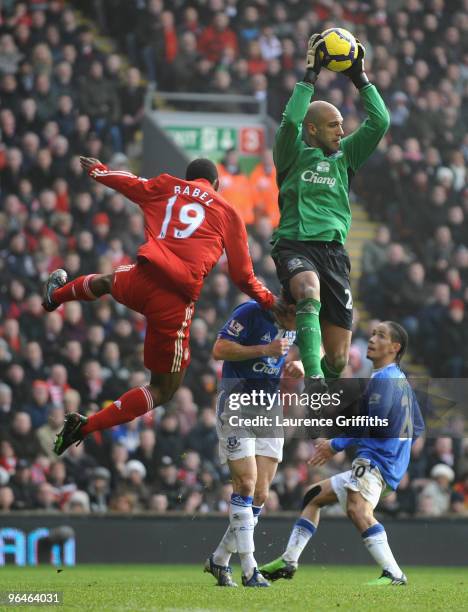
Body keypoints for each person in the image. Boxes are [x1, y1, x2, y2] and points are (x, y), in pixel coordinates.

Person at [43, 156, 279, 455]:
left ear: (188, 177)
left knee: (106, 281)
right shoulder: (226, 211)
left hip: (143, 278)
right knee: (163, 390)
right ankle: (84, 426)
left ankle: (55, 296)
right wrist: (269, 300)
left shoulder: (169, 186)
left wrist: (100, 172)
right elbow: (242, 276)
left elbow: (131, 183)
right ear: (216, 185)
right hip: (173, 301)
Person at [260, 321, 424, 586]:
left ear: (395, 347)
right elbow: (417, 426)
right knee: (314, 496)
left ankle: (393, 573)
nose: (372, 339)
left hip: (375, 461)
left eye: (380, 336)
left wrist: (335, 444)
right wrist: (399, 453)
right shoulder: (399, 380)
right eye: (372, 333)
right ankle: (289, 560)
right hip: (386, 461)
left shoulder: (383, 380)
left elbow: (375, 424)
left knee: (357, 509)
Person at [271, 34, 390, 386]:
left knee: (339, 358)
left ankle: (321, 370)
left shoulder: (345, 157)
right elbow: (289, 122)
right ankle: (314, 376)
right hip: (295, 244)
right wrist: (310, 77)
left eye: (341, 124)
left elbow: (379, 122)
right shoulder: (291, 154)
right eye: (333, 125)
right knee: (307, 289)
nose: (342, 130)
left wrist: (360, 78)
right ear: (312, 129)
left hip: (335, 255)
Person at [205, 295, 303, 587]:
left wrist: (304, 363)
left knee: (260, 495)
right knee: (245, 485)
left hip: (269, 406)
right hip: (236, 401)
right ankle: (250, 569)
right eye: (302, 316)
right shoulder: (251, 312)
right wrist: (265, 349)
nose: (306, 323)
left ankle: (220, 559)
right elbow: (218, 349)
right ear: (289, 308)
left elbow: (319, 344)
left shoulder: (302, 321)